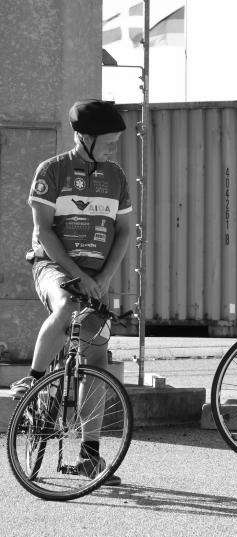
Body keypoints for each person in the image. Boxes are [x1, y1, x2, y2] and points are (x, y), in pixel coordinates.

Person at [10, 100, 133, 486]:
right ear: (86, 137)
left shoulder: (115, 177)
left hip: (96, 277)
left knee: (96, 359)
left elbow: (125, 233)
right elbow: (45, 231)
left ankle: (90, 456)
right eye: (109, 141)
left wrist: (104, 278)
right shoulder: (52, 171)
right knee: (64, 305)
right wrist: (77, 274)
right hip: (54, 267)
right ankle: (33, 379)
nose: (113, 148)